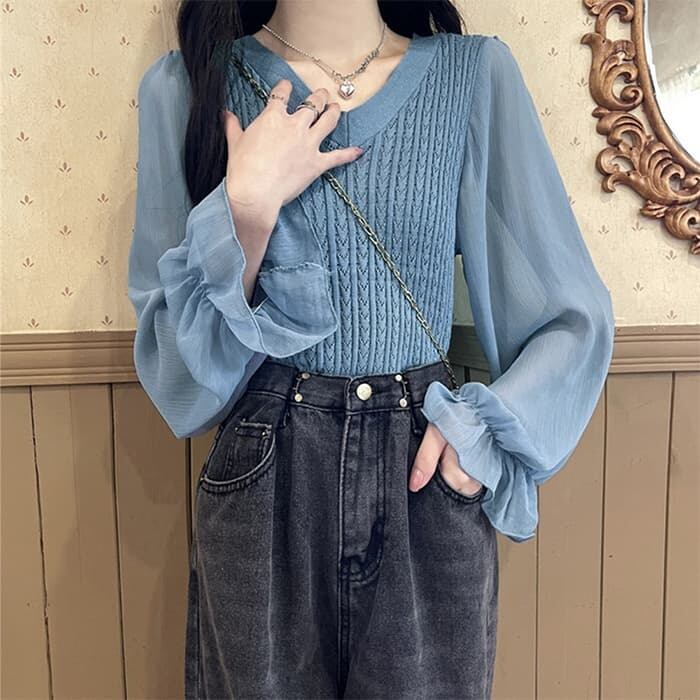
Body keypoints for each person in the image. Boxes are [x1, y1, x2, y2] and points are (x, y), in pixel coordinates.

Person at [127, 0, 616, 697]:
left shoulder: (472, 78)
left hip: (423, 471)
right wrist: (246, 209)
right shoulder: (187, 87)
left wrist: (477, 437)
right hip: (264, 480)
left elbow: (571, 316)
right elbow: (181, 386)